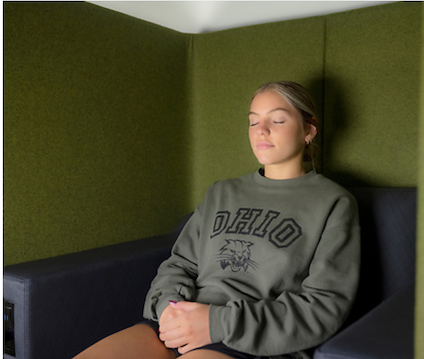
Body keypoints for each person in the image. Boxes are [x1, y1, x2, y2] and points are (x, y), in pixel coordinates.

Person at [73, 81, 360, 359]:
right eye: (253, 121)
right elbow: (180, 263)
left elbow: (324, 307)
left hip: (250, 342)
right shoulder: (222, 192)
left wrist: (217, 323)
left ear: (309, 130)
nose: (261, 131)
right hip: (179, 323)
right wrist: (168, 308)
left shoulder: (332, 202)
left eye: (278, 120)